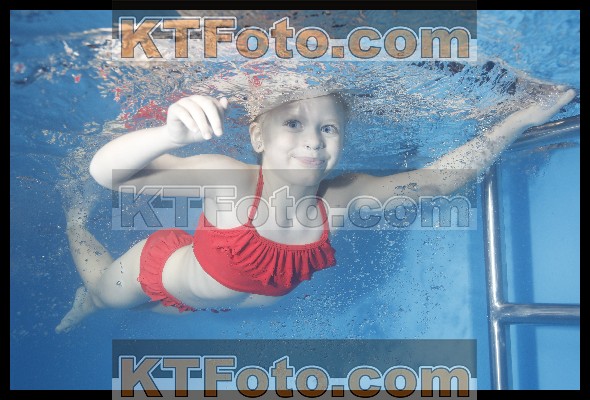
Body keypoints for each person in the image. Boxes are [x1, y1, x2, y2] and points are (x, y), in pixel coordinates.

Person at [55, 82, 576, 333]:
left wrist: (519, 119)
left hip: (222, 297)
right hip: (158, 269)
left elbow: (439, 182)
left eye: (328, 128)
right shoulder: (230, 180)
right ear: (257, 135)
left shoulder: (340, 199)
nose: (313, 140)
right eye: (294, 124)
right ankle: (75, 225)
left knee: (170, 307)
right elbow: (111, 175)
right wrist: (168, 135)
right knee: (104, 296)